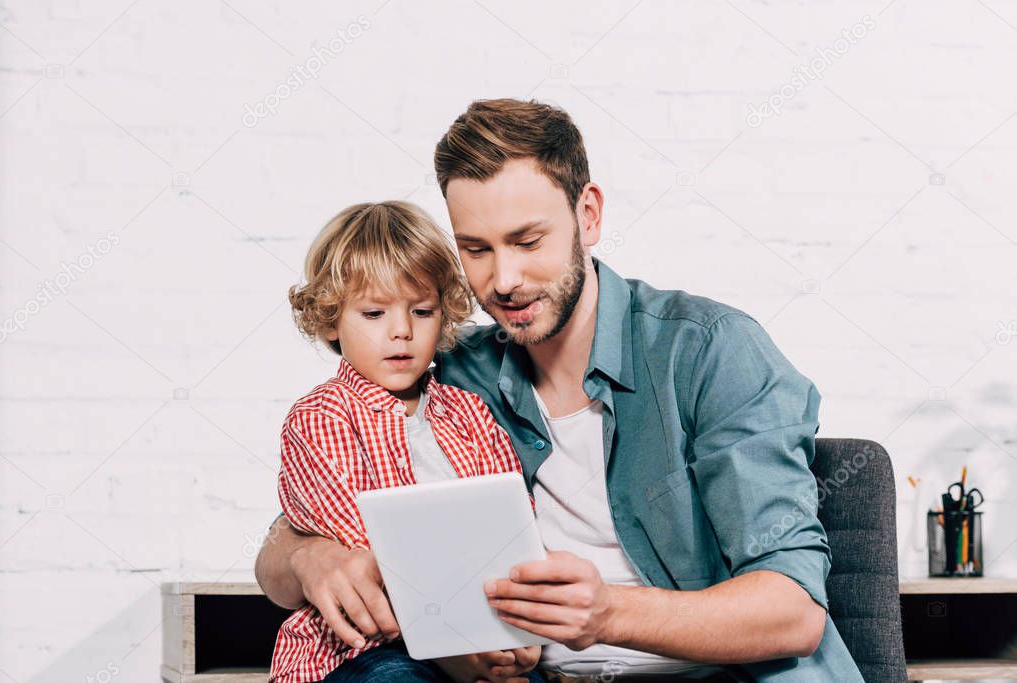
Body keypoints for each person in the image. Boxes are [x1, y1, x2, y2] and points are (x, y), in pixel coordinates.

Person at [257, 99, 864, 682]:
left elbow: (793, 610)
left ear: (589, 215)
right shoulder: (451, 376)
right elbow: (303, 520)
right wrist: (308, 558)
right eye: (476, 249)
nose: (506, 280)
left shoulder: (710, 351)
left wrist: (609, 615)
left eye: (527, 241)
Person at [269, 200, 544, 683]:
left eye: (421, 311)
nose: (401, 331)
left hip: (480, 637)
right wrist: (455, 656)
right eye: (374, 313)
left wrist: (520, 638)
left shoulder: (471, 415)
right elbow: (377, 559)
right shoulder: (323, 417)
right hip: (361, 649)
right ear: (333, 319)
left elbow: (513, 533)